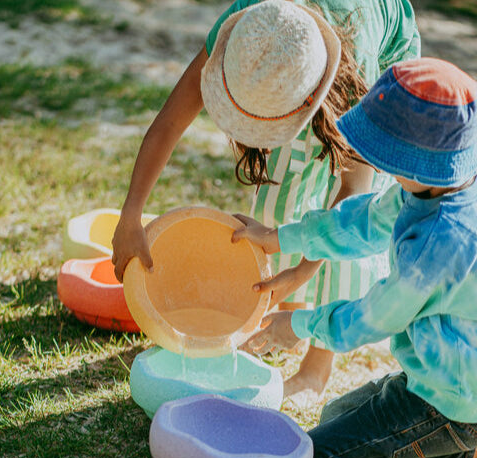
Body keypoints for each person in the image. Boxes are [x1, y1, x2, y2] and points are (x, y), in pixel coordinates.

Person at [232, 57, 477, 458]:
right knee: (334, 415)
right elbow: (364, 222)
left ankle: (466, 454)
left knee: (317, 457)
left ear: (420, 161)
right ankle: (473, 445)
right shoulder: (442, 184)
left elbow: (371, 317)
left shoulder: (441, 242)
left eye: (389, 156)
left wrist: (294, 326)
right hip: (446, 379)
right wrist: (279, 239)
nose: (381, 165)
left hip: (454, 402)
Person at [111, 0, 421, 399]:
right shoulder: (250, 32)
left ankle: (316, 365)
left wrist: (303, 271)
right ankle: (286, 311)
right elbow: (170, 120)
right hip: (302, 67)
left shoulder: (355, 80)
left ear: (309, 100)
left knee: (344, 241)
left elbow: (350, 200)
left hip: (379, 61)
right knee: (276, 200)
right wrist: (131, 213)